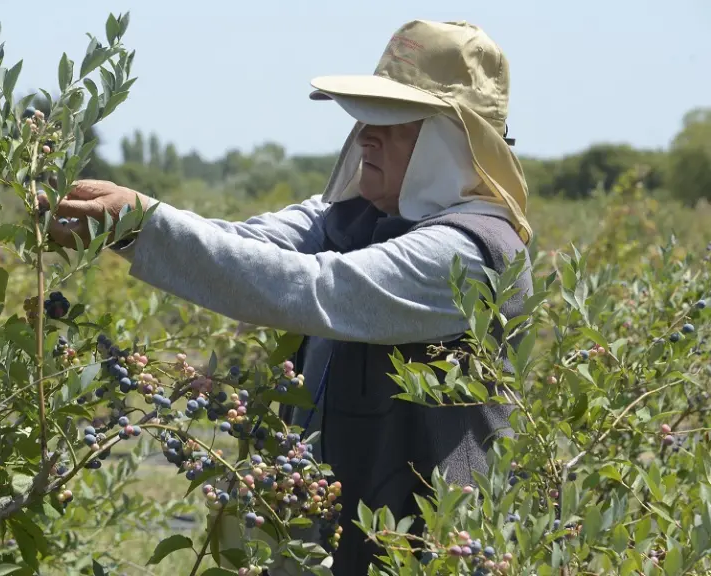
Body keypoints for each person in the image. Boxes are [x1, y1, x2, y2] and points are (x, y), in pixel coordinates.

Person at [45, 19, 535, 575]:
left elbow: (318, 288)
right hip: (330, 537)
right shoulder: (350, 217)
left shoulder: (468, 255)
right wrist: (127, 222)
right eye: (366, 117)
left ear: (451, 142)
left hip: (420, 550)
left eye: (394, 121)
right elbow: (244, 244)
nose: (365, 133)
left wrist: (141, 226)